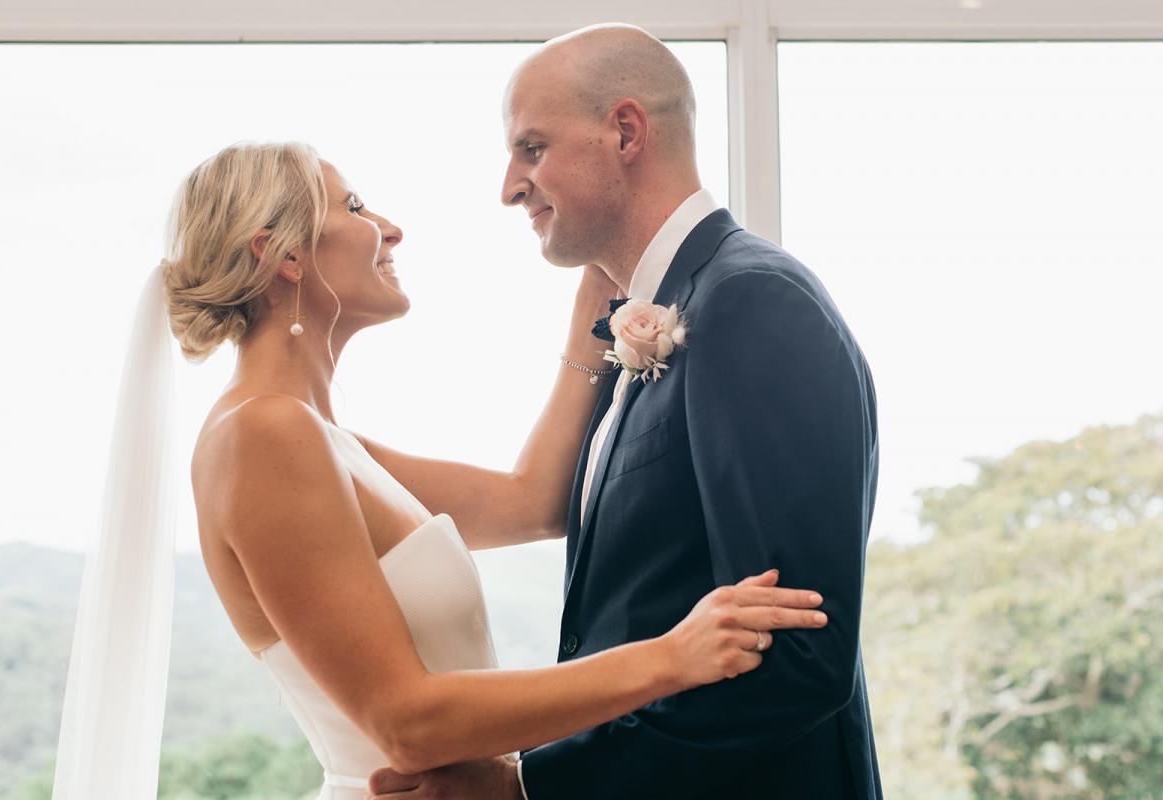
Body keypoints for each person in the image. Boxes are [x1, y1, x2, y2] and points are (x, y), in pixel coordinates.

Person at [49, 139, 830, 800]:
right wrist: (672, 656)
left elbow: (535, 502)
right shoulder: (262, 435)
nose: (390, 229)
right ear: (280, 254)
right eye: (355, 209)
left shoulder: (320, 437)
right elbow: (405, 719)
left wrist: (598, 292)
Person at [365, 23, 883, 800]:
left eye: (531, 149)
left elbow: (796, 656)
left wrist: (529, 789)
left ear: (625, 131)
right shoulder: (652, 314)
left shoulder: (749, 302)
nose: (509, 186)